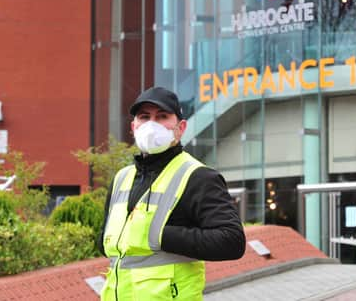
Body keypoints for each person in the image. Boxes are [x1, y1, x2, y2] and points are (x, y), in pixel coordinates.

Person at [98, 86, 246, 300]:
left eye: (162, 117)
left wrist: (160, 235)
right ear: (133, 126)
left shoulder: (199, 177)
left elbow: (231, 241)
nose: (151, 125)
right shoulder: (122, 178)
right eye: (144, 117)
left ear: (181, 127)